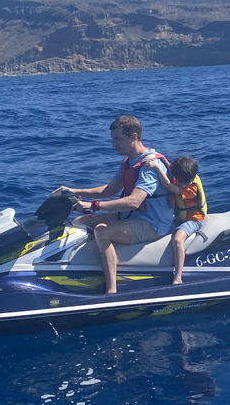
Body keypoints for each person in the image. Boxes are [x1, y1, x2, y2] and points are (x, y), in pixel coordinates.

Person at [58, 115, 174, 295]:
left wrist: (94, 205)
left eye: (118, 139)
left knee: (102, 231)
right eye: (113, 140)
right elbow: (109, 190)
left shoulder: (150, 165)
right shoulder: (129, 162)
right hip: (133, 217)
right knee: (80, 221)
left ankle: (112, 289)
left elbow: (134, 202)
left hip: (152, 223)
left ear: (133, 137)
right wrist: (75, 191)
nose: (114, 145)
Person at [143, 154, 207, 286]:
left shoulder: (191, 188)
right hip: (180, 218)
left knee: (177, 240)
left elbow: (169, 186)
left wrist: (157, 167)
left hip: (195, 220)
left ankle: (178, 276)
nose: (186, 183)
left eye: (187, 180)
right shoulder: (184, 179)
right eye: (183, 180)